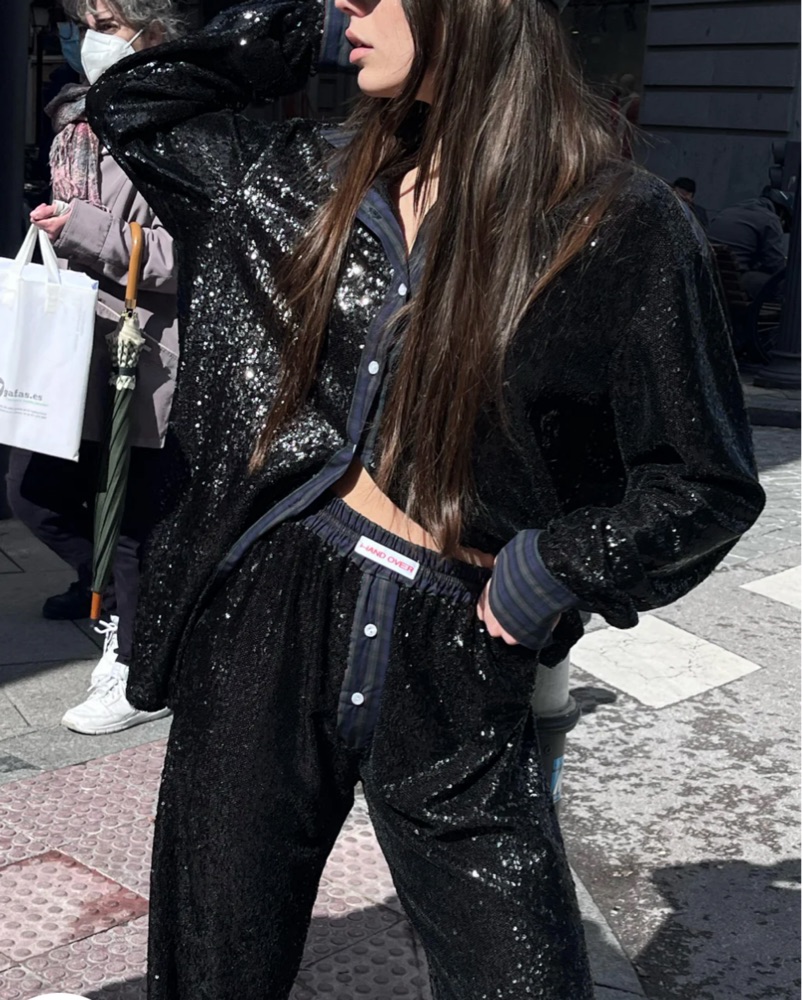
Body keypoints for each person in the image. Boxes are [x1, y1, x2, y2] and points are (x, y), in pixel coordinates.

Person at [87, 0, 765, 996]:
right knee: (213, 966)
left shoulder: (616, 223)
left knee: (521, 975)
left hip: (456, 647)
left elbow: (706, 481)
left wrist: (558, 567)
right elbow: (139, 103)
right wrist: (293, 23)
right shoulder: (295, 177)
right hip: (262, 623)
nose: (348, 2)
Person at [5, 0, 182, 735]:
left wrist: (80, 227)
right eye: (84, 23)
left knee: (135, 522)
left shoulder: (180, 124)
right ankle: (106, 590)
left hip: (143, 352)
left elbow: (188, 255)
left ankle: (138, 673)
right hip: (75, 347)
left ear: (152, 28)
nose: (89, 39)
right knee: (33, 491)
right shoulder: (74, 124)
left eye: (106, 23)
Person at [708, 185, 792, 300]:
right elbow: (776, 266)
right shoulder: (770, 219)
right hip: (737, 280)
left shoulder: (730, 210)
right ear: (782, 213)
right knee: (788, 286)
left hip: (714, 277)